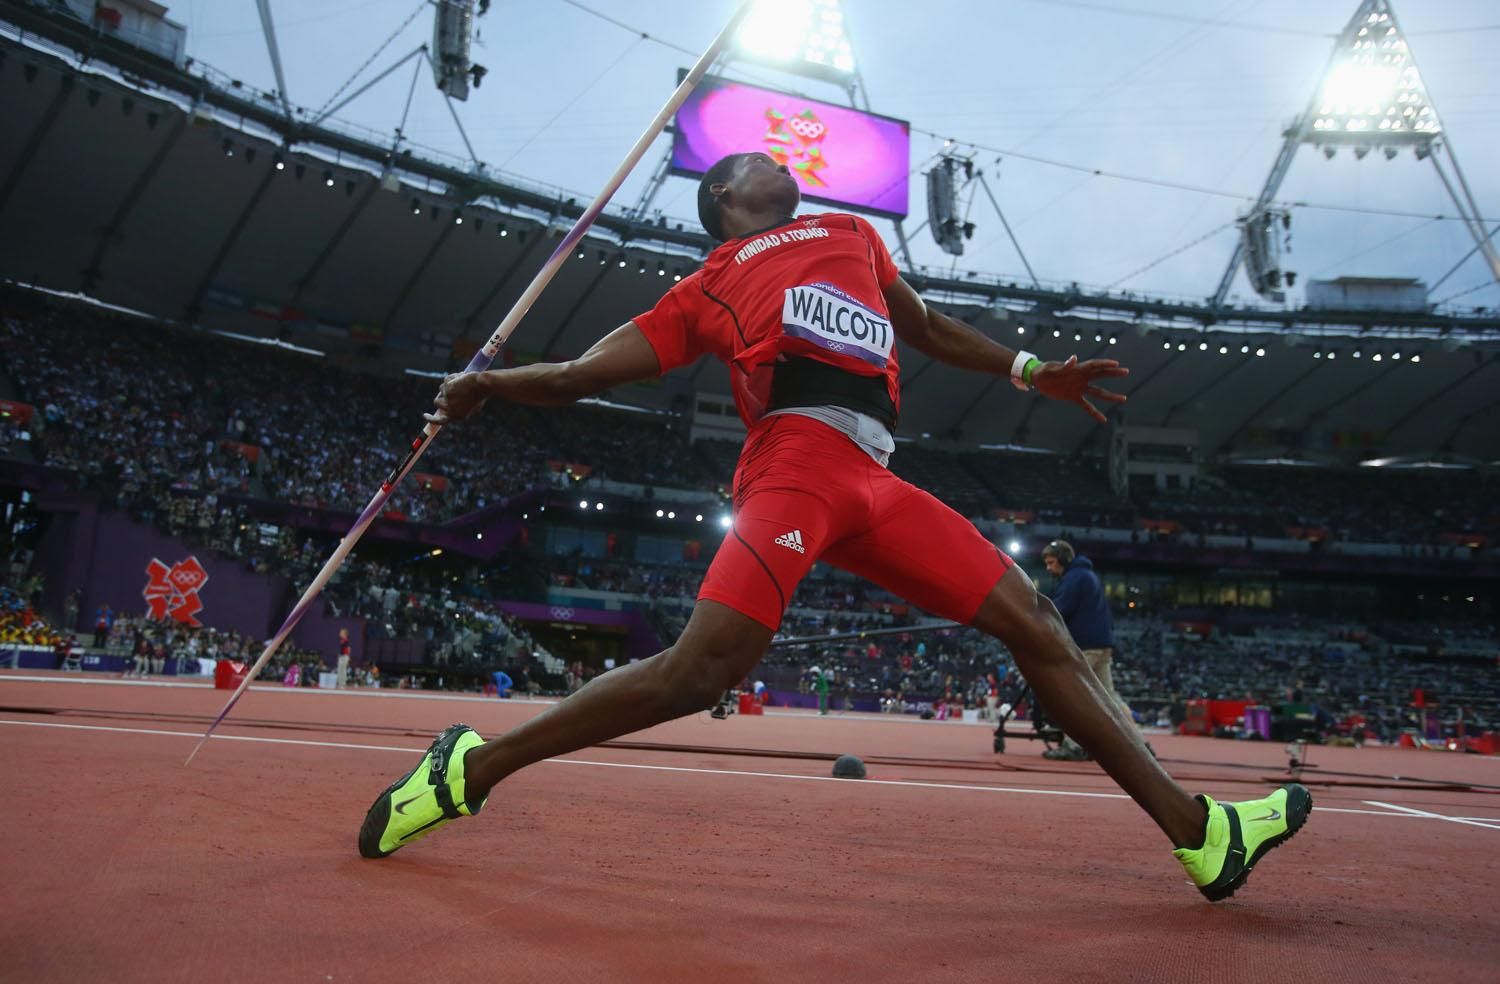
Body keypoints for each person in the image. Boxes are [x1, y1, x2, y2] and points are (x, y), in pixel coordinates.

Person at [358, 151, 1311, 901]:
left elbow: (929, 329)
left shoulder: (853, 233)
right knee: (701, 673)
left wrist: (1029, 371)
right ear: (726, 195)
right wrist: (488, 384)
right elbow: (579, 375)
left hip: (876, 478)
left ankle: (1203, 837)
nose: (779, 156)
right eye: (757, 156)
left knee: (1038, 625)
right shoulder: (711, 282)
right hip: (796, 466)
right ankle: (467, 771)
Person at [1038, 539, 1133, 761]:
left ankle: (1074, 745)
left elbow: (1057, 612)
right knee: (1109, 698)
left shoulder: (1074, 578)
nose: (1049, 568)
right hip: (1101, 645)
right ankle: (1139, 745)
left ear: (1063, 560)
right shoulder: (1086, 575)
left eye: (1052, 563)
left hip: (1085, 647)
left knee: (1071, 696)